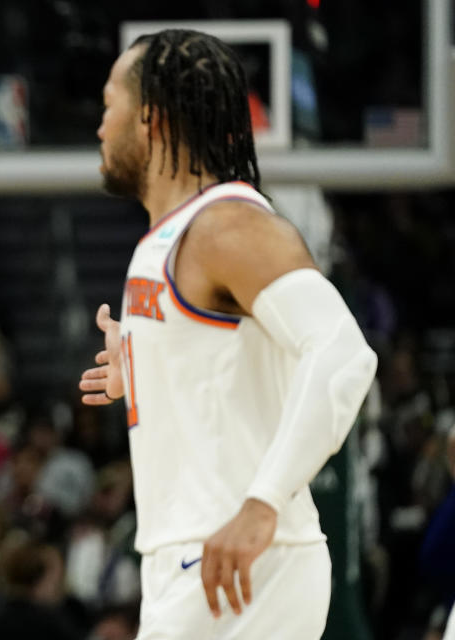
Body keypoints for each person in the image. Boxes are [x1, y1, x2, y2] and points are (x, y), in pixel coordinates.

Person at [78, 30, 377, 639]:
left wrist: (263, 503)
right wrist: (145, 367)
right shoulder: (165, 240)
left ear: (151, 122)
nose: (101, 128)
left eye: (110, 107)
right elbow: (224, 372)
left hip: (243, 557)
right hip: (191, 556)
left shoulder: (229, 225)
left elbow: (343, 354)